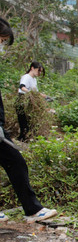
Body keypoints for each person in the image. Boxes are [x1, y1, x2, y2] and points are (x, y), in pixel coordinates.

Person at [0, 18, 57, 223]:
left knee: (16, 161)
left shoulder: (33, 80)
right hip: (17, 107)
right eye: (1, 40)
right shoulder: (26, 77)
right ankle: (33, 210)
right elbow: (22, 89)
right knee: (16, 160)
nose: (2, 46)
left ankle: (33, 209)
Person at [16, 61, 47, 141]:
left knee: (30, 121)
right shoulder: (26, 77)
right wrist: (30, 93)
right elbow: (22, 87)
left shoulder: (34, 79)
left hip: (29, 101)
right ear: (32, 68)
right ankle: (22, 138)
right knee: (23, 122)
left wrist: (42, 95)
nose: (39, 73)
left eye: (40, 72)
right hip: (22, 100)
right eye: (38, 70)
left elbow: (35, 92)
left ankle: (28, 138)